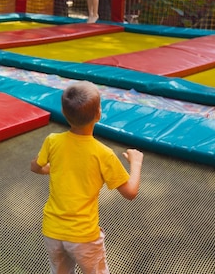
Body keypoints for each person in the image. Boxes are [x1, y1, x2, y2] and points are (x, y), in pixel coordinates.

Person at [30, 81, 143, 274]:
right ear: (99, 114)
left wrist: (52, 168)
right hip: (84, 236)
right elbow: (130, 192)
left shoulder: (53, 141)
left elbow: (35, 167)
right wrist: (136, 162)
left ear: (64, 114)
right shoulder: (103, 154)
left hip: (53, 230)